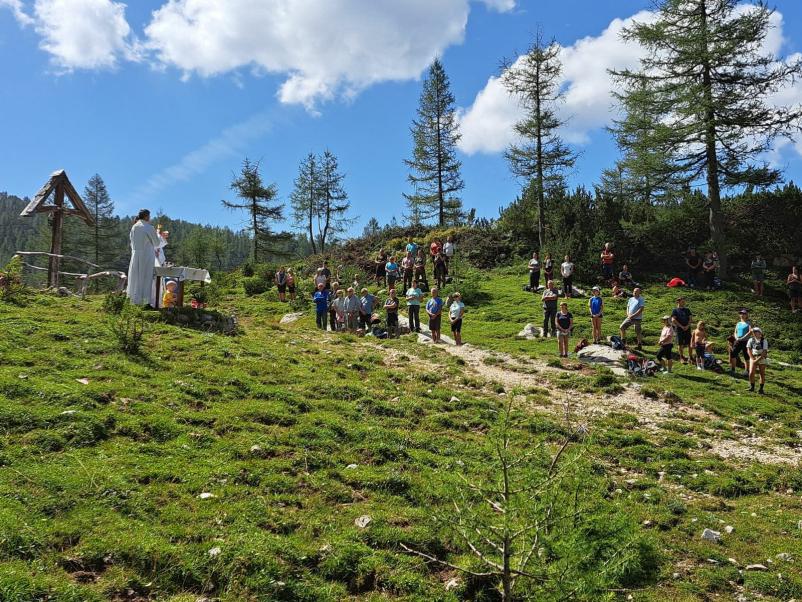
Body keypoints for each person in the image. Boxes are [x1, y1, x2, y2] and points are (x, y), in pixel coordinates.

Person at [126, 209, 162, 307]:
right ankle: (145, 302)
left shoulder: (134, 227)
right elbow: (157, 243)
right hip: (146, 255)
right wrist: (158, 234)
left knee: (135, 277)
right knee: (146, 278)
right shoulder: (148, 227)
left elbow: (131, 241)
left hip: (135, 255)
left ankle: (133, 300)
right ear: (146, 216)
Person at [729, 309, 752, 375]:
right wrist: (736, 337)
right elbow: (735, 331)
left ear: (746, 315)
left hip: (745, 341)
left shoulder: (749, 323)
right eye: (741, 314)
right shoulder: (738, 323)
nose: (742, 315)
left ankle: (747, 371)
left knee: (746, 356)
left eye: (743, 314)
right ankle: (733, 369)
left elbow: (750, 332)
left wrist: (742, 338)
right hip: (738, 341)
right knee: (733, 354)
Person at [671, 297, 693, 364]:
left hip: (687, 329)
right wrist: (681, 326)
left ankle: (690, 357)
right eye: (682, 301)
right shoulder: (675, 310)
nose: (684, 303)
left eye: (684, 302)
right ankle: (681, 357)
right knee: (680, 344)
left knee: (690, 343)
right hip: (679, 329)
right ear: (678, 302)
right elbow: (673, 320)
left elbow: (690, 319)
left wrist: (687, 326)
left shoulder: (687, 310)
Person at [747, 327, 768, 394]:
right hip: (753, 357)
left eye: (757, 332)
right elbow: (748, 349)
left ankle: (761, 389)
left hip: (762, 358)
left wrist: (757, 360)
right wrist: (752, 358)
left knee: (762, 373)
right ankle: (752, 387)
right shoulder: (751, 340)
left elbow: (764, 351)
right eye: (754, 332)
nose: (755, 333)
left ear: (760, 333)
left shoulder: (764, 341)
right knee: (751, 373)